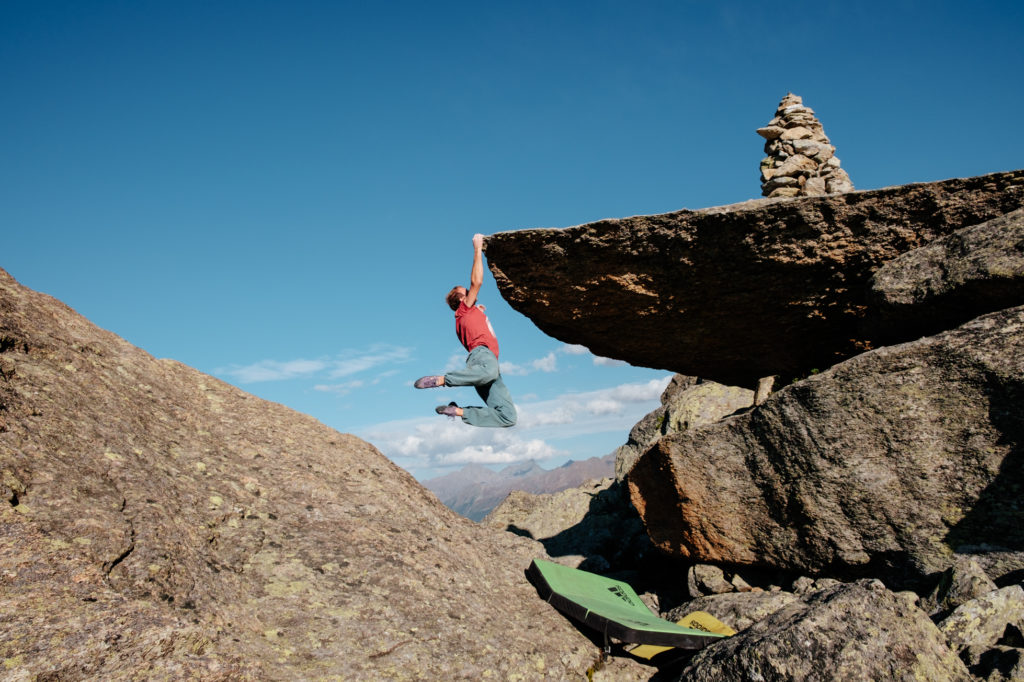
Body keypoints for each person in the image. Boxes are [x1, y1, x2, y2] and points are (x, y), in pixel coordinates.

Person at [414, 233, 517, 428]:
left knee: (508, 416)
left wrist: (478, 311)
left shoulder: (467, 314)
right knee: (488, 373)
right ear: (462, 300)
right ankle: (442, 380)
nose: (471, 293)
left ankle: (457, 411)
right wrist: (477, 249)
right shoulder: (464, 310)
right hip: (483, 359)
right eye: (467, 293)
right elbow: (476, 282)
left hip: (486, 365)